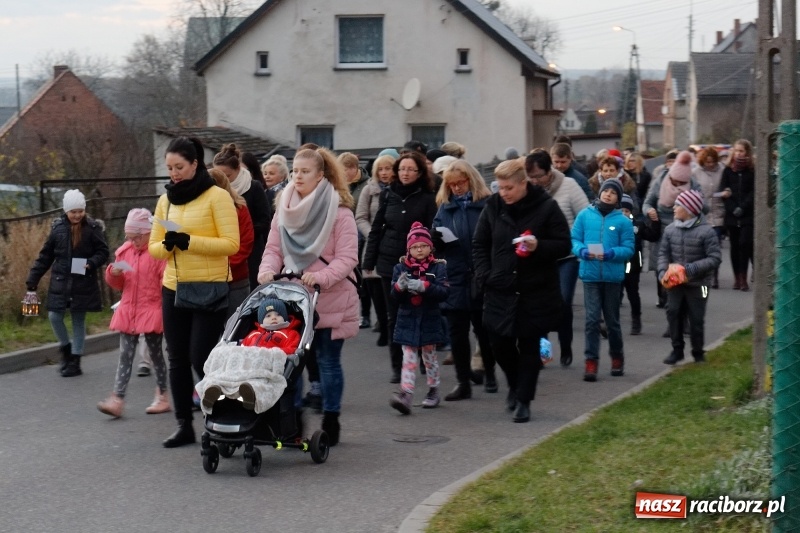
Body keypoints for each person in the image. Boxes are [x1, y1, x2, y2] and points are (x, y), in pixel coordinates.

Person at [258, 147, 359, 447]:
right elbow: (273, 249)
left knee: (328, 361)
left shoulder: (340, 213)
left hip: (329, 296)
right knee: (291, 362)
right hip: (293, 298)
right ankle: (293, 417)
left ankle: (331, 417)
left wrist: (322, 277)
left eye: (304, 172)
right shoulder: (283, 210)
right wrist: (266, 271)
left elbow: (347, 257)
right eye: (294, 171)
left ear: (321, 176)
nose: (297, 176)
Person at [149, 136, 240, 448]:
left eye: (179, 167)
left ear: (195, 164)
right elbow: (153, 247)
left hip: (209, 286)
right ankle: (183, 425)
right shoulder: (166, 200)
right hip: (174, 286)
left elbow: (231, 244)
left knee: (201, 356)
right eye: (170, 168)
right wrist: (168, 245)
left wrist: (190, 241)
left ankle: (224, 416)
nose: (173, 173)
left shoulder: (217, 197)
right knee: (175, 357)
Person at [472, 158, 571, 423]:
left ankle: (524, 400)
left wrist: (539, 247)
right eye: (500, 188)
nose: (503, 193)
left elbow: (564, 245)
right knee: (499, 344)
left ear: (523, 184)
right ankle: (515, 386)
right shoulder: (493, 206)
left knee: (529, 346)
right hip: (499, 287)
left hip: (535, 290)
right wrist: (484, 274)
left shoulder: (547, 207)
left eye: (508, 188)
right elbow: (480, 243)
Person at [363, 151, 438, 383]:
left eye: (410, 169)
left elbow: (433, 231)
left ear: (419, 173)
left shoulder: (427, 197)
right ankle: (398, 367)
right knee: (393, 316)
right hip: (390, 263)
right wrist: (369, 260)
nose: (405, 173)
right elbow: (377, 228)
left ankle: (426, 363)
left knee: (421, 313)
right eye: (402, 169)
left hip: (420, 263)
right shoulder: (387, 195)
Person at [26, 189, 110, 378]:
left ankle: (75, 361)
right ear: (66, 211)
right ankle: (66, 349)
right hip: (60, 281)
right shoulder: (57, 229)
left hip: (82, 280)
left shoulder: (93, 228)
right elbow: (46, 256)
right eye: (73, 211)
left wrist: (91, 263)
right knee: (54, 317)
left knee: (78, 321)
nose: (77, 215)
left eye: (80, 211)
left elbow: (103, 252)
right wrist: (33, 279)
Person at [97, 208, 170, 418]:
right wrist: (113, 273)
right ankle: (117, 399)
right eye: (129, 237)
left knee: (156, 354)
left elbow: (164, 282)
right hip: (129, 308)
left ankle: (162, 395)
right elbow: (119, 284)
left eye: (136, 237)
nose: (132, 241)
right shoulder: (125, 252)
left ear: (148, 233)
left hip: (152, 308)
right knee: (125, 354)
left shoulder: (158, 252)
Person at [432, 160, 495, 399]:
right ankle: (463, 382)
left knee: (484, 330)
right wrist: (436, 240)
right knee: (457, 333)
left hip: (481, 274)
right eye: (452, 185)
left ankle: (489, 372)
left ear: (471, 180)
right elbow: (434, 238)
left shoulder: (486, 204)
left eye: (461, 183)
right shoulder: (444, 207)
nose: (457, 188)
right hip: (455, 274)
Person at [525, 151, 589, 367]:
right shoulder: (528, 192)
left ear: (549, 171)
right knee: (539, 305)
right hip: (539, 256)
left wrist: (581, 245)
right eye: (530, 177)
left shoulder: (569, 185)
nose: (534, 181)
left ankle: (566, 344)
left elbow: (585, 215)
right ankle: (544, 351)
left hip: (566, 255)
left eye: (538, 176)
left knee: (562, 302)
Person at [571, 179, 635, 382]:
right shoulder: (584, 215)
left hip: (612, 277)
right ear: (599, 193)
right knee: (591, 320)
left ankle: (617, 356)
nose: (608, 194)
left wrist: (610, 254)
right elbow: (574, 239)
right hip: (590, 274)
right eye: (605, 191)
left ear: (618, 199)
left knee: (612, 321)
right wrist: (581, 250)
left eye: (613, 192)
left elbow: (629, 249)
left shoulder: (623, 221)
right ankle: (591, 361)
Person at [388, 223, 450, 414]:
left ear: (430, 247)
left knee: (429, 357)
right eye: (415, 247)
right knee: (408, 357)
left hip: (429, 318)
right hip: (408, 318)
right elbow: (394, 296)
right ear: (409, 249)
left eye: (423, 245)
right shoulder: (400, 268)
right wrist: (399, 287)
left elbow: (444, 291)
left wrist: (425, 287)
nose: (419, 250)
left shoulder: (437, 267)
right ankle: (406, 393)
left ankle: (433, 389)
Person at [658, 190, 722, 364]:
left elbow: (715, 258)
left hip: (700, 284)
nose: (674, 208)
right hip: (675, 282)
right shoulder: (671, 229)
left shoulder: (707, 232)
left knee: (696, 317)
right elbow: (663, 253)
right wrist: (663, 272)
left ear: (689, 209)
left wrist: (691, 269)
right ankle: (677, 349)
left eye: (678, 205)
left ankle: (698, 352)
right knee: (673, 312)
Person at [643, 150, 700, 312]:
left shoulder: (693, 183)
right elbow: (647, 203)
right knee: (662, 266)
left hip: (684, 230)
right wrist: (649, 211)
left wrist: (691, 209)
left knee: (679, 270)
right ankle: (666, 299)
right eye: (674, 182)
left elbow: (703, 207)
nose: (676, 185)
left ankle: (677, 309)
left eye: (680, 183)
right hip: (661, 229)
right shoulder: (661, 180)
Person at [213, 143, 271, 291]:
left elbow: (265, 220)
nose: (224, 180)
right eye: (219, 176)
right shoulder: (214, 191)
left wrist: (245, 232)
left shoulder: (254, 187)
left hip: (252, 250)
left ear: (238, 169)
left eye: (227, 176)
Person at [355, 153, 395, 347]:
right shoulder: (369, 190)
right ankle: (383, 324)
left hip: (393, 246)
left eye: (388, 168)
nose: (384, 173)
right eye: (381, 169)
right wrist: (373, 233)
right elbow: (361, 216)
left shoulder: (398, 190)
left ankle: (392, 325)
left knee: (391, 292)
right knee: (375, 290)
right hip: (373, 245)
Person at [209, 168, 254, 318]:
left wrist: (220, 265)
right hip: (209, 279)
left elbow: (245, 243)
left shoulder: (240, 209)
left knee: (236, 324)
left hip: (235, 278)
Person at [338, 152, 372, 329]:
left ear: (353, 169)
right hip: (344, 234)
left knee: (362, 276)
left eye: (344, 171)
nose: (341, 175)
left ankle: (365, 314)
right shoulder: (339, 185)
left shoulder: (367, 185)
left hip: (361, 235)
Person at [619, 195, 661, 335]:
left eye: (626, 210)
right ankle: (610, 321)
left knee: (632, 293)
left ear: (631, 212)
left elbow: (653, 236)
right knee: (613, 294)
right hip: (616, 264)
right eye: (621, 210)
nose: (623, 214)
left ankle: (636, 320)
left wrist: (655, 222)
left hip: (633, 264)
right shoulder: (612, 225)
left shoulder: (637, 225)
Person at [719, 139, 755, 291]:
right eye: (737, 150)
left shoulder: (752, 170)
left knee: (745, 244)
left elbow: (754, 191)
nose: (739, 153)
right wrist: (732, 207)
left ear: (747, 152)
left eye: (742, 151)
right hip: (732, 214)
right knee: (734, 246)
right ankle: (737, 278)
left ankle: (744, 277)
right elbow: (723, 191)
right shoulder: (727, 170)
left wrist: (743, 206)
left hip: (747, 214)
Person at [692, 147, 726, 288]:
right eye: (707, 162)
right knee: (701, 247)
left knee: (715, 246)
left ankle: (714, 276)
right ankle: (703, 272)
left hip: (718, 213)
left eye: (712, 162)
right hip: (702, 214)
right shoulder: (696, 173)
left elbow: (726, 186)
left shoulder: (722, 170)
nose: (710, 164)